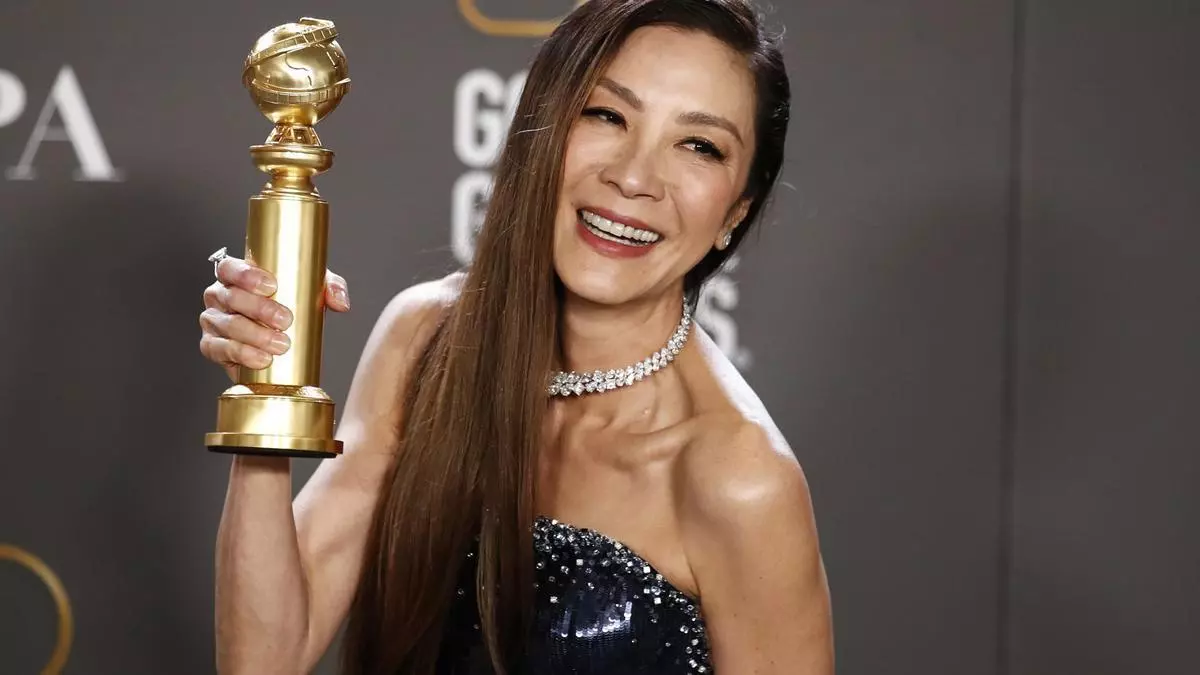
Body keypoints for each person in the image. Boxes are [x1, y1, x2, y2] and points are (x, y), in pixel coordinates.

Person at [199, 0, 833, 673]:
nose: (634, 178)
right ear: (542, 126)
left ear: (736, 211)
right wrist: (267, 385)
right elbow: (262, 660)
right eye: (607, 115)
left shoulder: (738, 478)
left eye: (699, 146)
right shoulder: (428, 341)